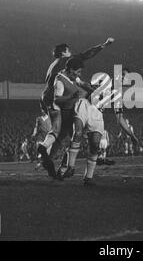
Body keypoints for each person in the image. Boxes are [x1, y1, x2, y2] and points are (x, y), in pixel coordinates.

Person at [37, 38, 115, 176]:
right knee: (64, 130)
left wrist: (88, 88)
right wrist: (103, 45)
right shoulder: (67, 62)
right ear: (64, 52)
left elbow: (77, 81)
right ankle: (57, 160)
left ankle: (49, 158)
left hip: (46, 97)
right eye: (69, 51)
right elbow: (86, 55)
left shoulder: (53, 66)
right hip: (57, 97)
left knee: (62, 131)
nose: (71, 53)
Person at [54, 58, 105, 186]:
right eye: (78, 71)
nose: (79, 74)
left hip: (94, 113)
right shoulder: (60, 81)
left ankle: (87, 177)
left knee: (94, 145)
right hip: (76, 108)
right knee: (76, 135)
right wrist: (73, 97)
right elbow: (57, 100)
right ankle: (67, 168)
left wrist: (94, 90)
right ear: (71, 70)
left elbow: (83, 84)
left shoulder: (75, 79)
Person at [31, 103, 52, 170]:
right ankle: (38, 164)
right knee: (40, 151)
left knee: (46, 153)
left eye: (44, 110)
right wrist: (34, 133)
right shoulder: (39, 119)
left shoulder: (50, 118)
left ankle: (41, 165)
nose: (42, 111)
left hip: (48, 137)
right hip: (40, 137)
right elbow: (36, 127)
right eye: (42, 110)